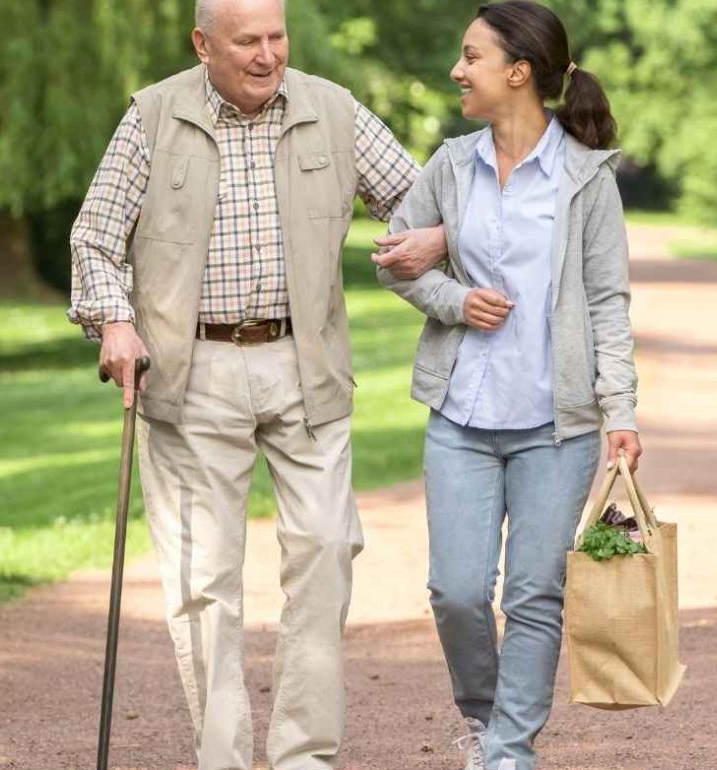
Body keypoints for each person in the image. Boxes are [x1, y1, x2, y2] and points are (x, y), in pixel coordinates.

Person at [65, 0, 447, 767]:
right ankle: (225, 760)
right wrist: (112, 321)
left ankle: (304, 757)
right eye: (248, 42)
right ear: (203, 44)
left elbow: (421, 201)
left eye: (277, 37)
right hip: (190, 369)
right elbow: (95, 241)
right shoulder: (152, 117)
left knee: (326, 552)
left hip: (305, 364)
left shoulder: (332, 110)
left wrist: (439, 233)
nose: (267, 55)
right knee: (205, 579)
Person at [377, 3, 640, 769]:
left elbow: (607, 303)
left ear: (518, 72)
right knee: (456, 592)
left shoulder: (585, 177)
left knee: (533, 595)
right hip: (460, 412)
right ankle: (485, 722)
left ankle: (508, 752)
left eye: (472, 58)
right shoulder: (450, 164)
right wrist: (455, 300)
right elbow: (394, 258)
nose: (457, 72)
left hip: (556, 426)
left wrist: (620, 408)